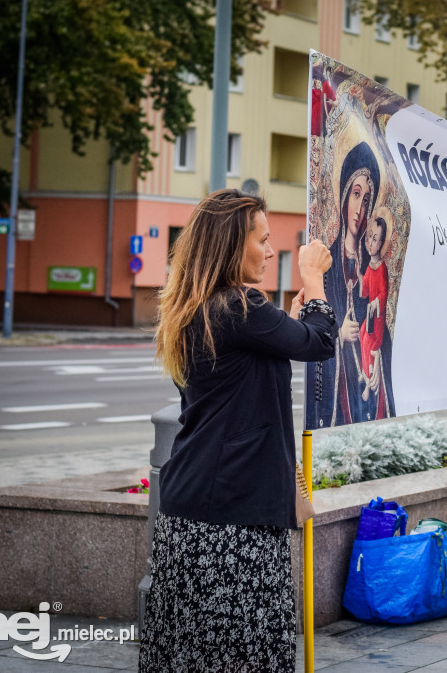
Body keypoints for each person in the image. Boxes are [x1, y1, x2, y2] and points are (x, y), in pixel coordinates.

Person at [140, 189, 337, 672]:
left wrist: (289, 319)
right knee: (241, 653)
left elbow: (249, 370)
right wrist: (312, 278)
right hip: (233, 518)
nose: (272, 251)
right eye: (264, 240)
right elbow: (320, 341)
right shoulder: (239, 306)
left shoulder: (198, 306)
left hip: (193, 509)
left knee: (192, 654)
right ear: (232, 244)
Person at [307, 140, 395, 427]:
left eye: (367, 198)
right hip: (339, 396)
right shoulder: (326, 263)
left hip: (368, 389)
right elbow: (310, 332)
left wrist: (380, 357)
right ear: (344, 195)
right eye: (356, 194)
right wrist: (338, 334)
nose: (360, 207)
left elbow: (381, 323)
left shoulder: (372, 266)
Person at [359, 212, 389, 416]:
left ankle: (368, 386)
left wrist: (376, 302)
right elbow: (366, 293)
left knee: (370, 343)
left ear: (381, 243)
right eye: (370, 237)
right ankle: (364, 371)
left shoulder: (382, 268)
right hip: (369, 315)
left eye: (376, 239)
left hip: (377, 318)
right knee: (361, 334)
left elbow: (383, 293)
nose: (371, 242)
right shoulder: (369, 267)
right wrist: (361, 280)